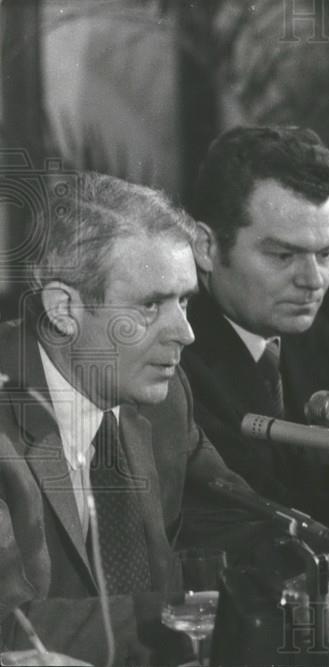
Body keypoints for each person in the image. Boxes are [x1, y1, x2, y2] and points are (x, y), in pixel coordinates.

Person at [0, 172, 254, 665]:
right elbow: (11, 628)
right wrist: (185, 617)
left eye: (184, 301)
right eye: (151, 305)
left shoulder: (164, 401)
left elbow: (236, 518)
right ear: (63, 308)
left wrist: (307, 570)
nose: (185, 333)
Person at [180, 126, 329, 546]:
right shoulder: (174, 359)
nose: (312, 281)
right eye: (283, 255)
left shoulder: (317, 340)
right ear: (206, 247)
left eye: (326, 254)